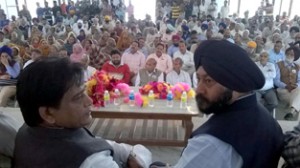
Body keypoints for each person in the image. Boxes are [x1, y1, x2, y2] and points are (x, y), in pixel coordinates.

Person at [154, 40, 284, 167]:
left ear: (234, 84)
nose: (198, 89)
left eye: (208, 81)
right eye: (199, 79)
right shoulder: (269, 121)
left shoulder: (209, 144)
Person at [14, 57, 151, 167]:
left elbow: (101, 144)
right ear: (48, 114)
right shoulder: (91, 161)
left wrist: (132, 154)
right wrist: (141, 155)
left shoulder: (26, 131)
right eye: (78, 97)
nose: (89, 101)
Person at [274, 47, 300, 120]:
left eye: (291, 55)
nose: (289, 56)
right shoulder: (278, 65)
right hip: (282, 90)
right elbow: (276, 80)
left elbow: (299, 80)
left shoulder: (297, 67)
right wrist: (286, 86)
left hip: (295, 91)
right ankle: (293, 112)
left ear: (295, 57)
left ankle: (292, 112)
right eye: (287, 54)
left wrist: (296, 85)